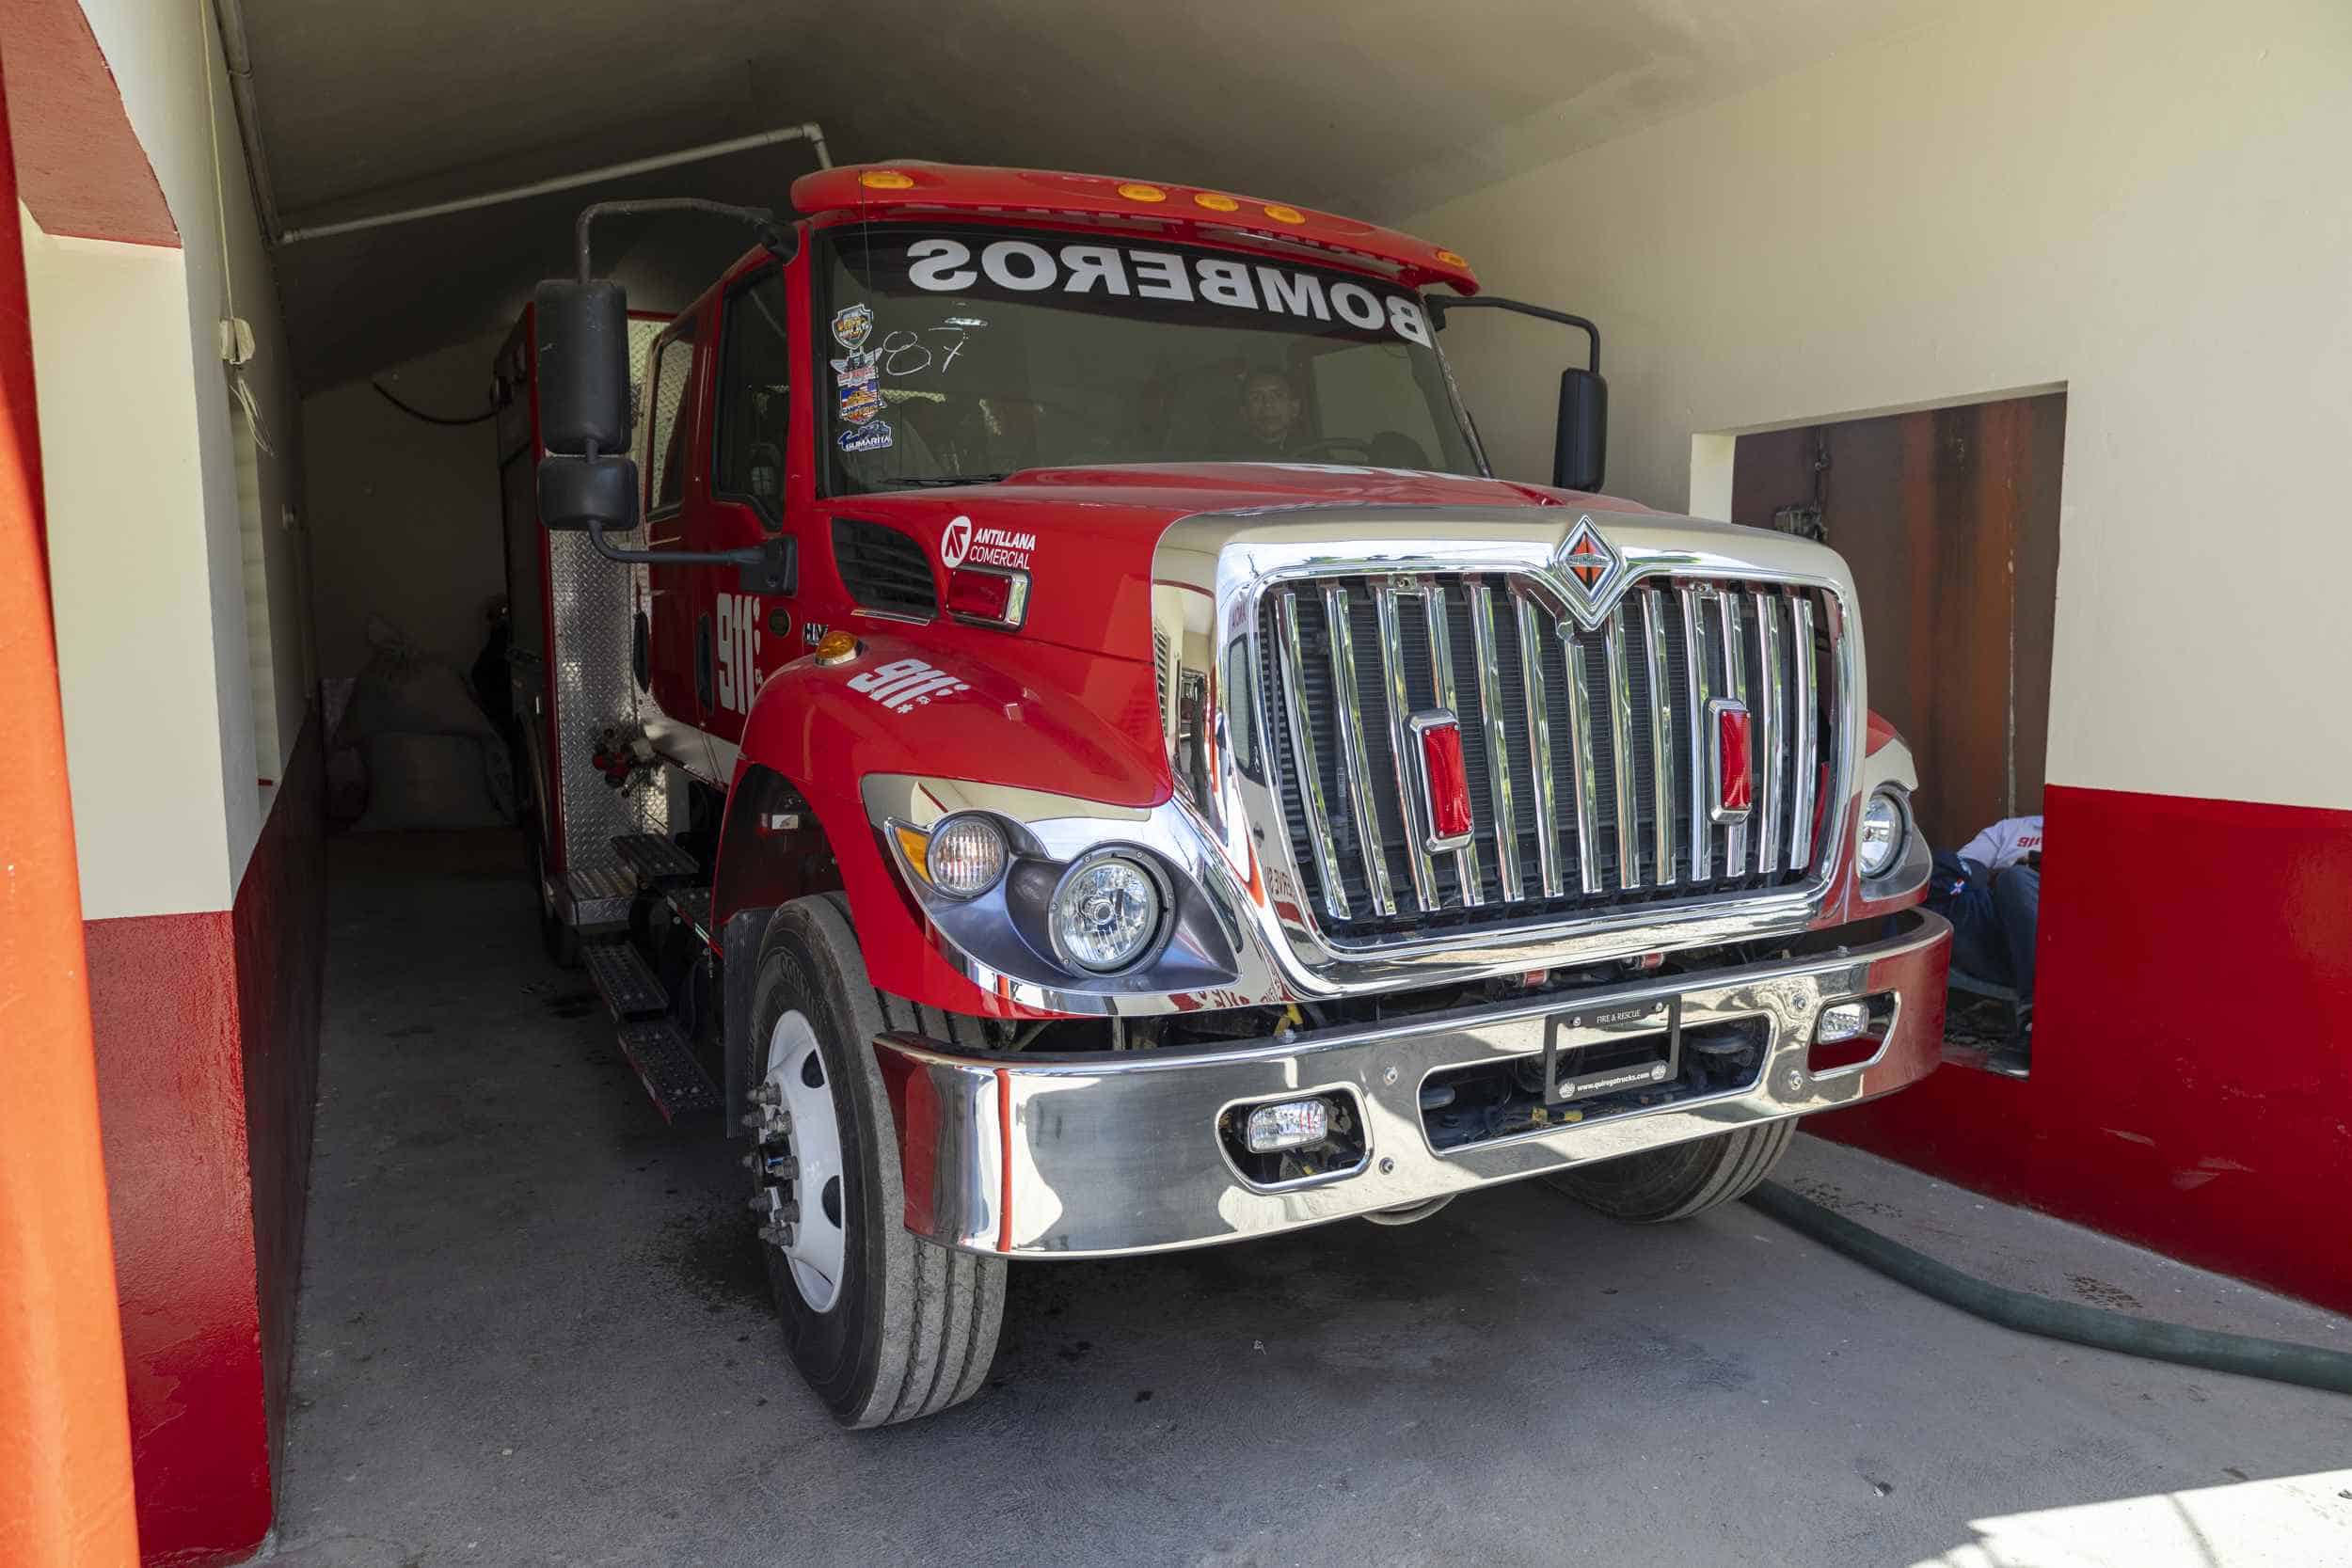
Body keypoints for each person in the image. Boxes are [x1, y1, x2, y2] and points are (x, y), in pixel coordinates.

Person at [1930, 813, 2042, 1072]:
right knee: (1933, 870)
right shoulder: (2014, 829)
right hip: (1994, 944)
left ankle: (2035, 1020)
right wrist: (1995, 876)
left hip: (2054, 948)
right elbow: (1960, 871)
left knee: (2017, 880)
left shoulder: (2095, 837)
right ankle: (1889, 986)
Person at [1234, 367, 1305, 457]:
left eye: (1278, 395)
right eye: (1256, 398)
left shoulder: (1314, 455)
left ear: (1294, 408)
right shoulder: (1229, 459)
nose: (1268, 404)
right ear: (1244, 412)